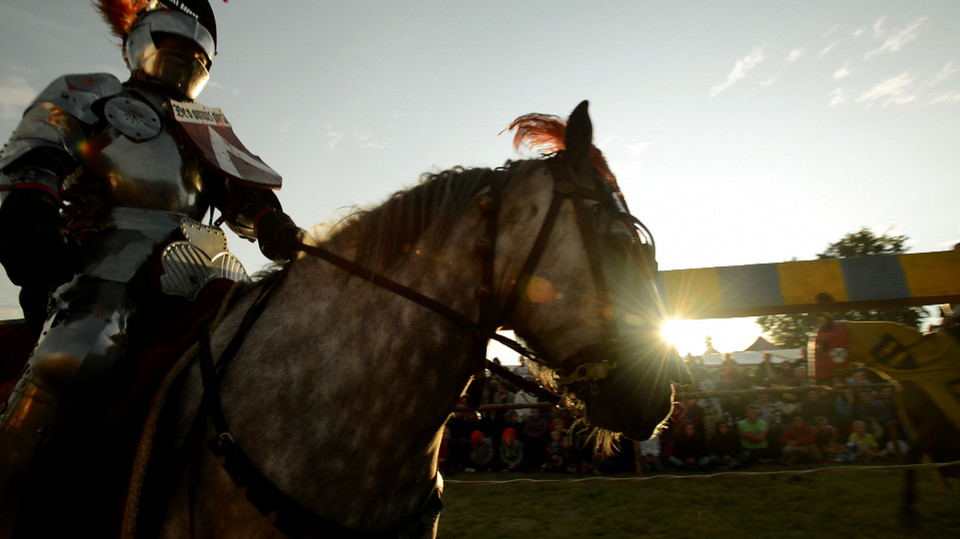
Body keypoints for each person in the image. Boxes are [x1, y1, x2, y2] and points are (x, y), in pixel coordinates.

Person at [0, 2, 303, 534]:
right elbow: (40, 153)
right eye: (175, 49)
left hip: (211, 264)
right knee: (81, 350)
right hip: (108, 253)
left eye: (196, 57)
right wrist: (33, 212)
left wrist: (267, 222)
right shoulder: (91, 91)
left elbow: (240, 198)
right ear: (140, 41)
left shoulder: (207, 125)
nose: (185, 62)